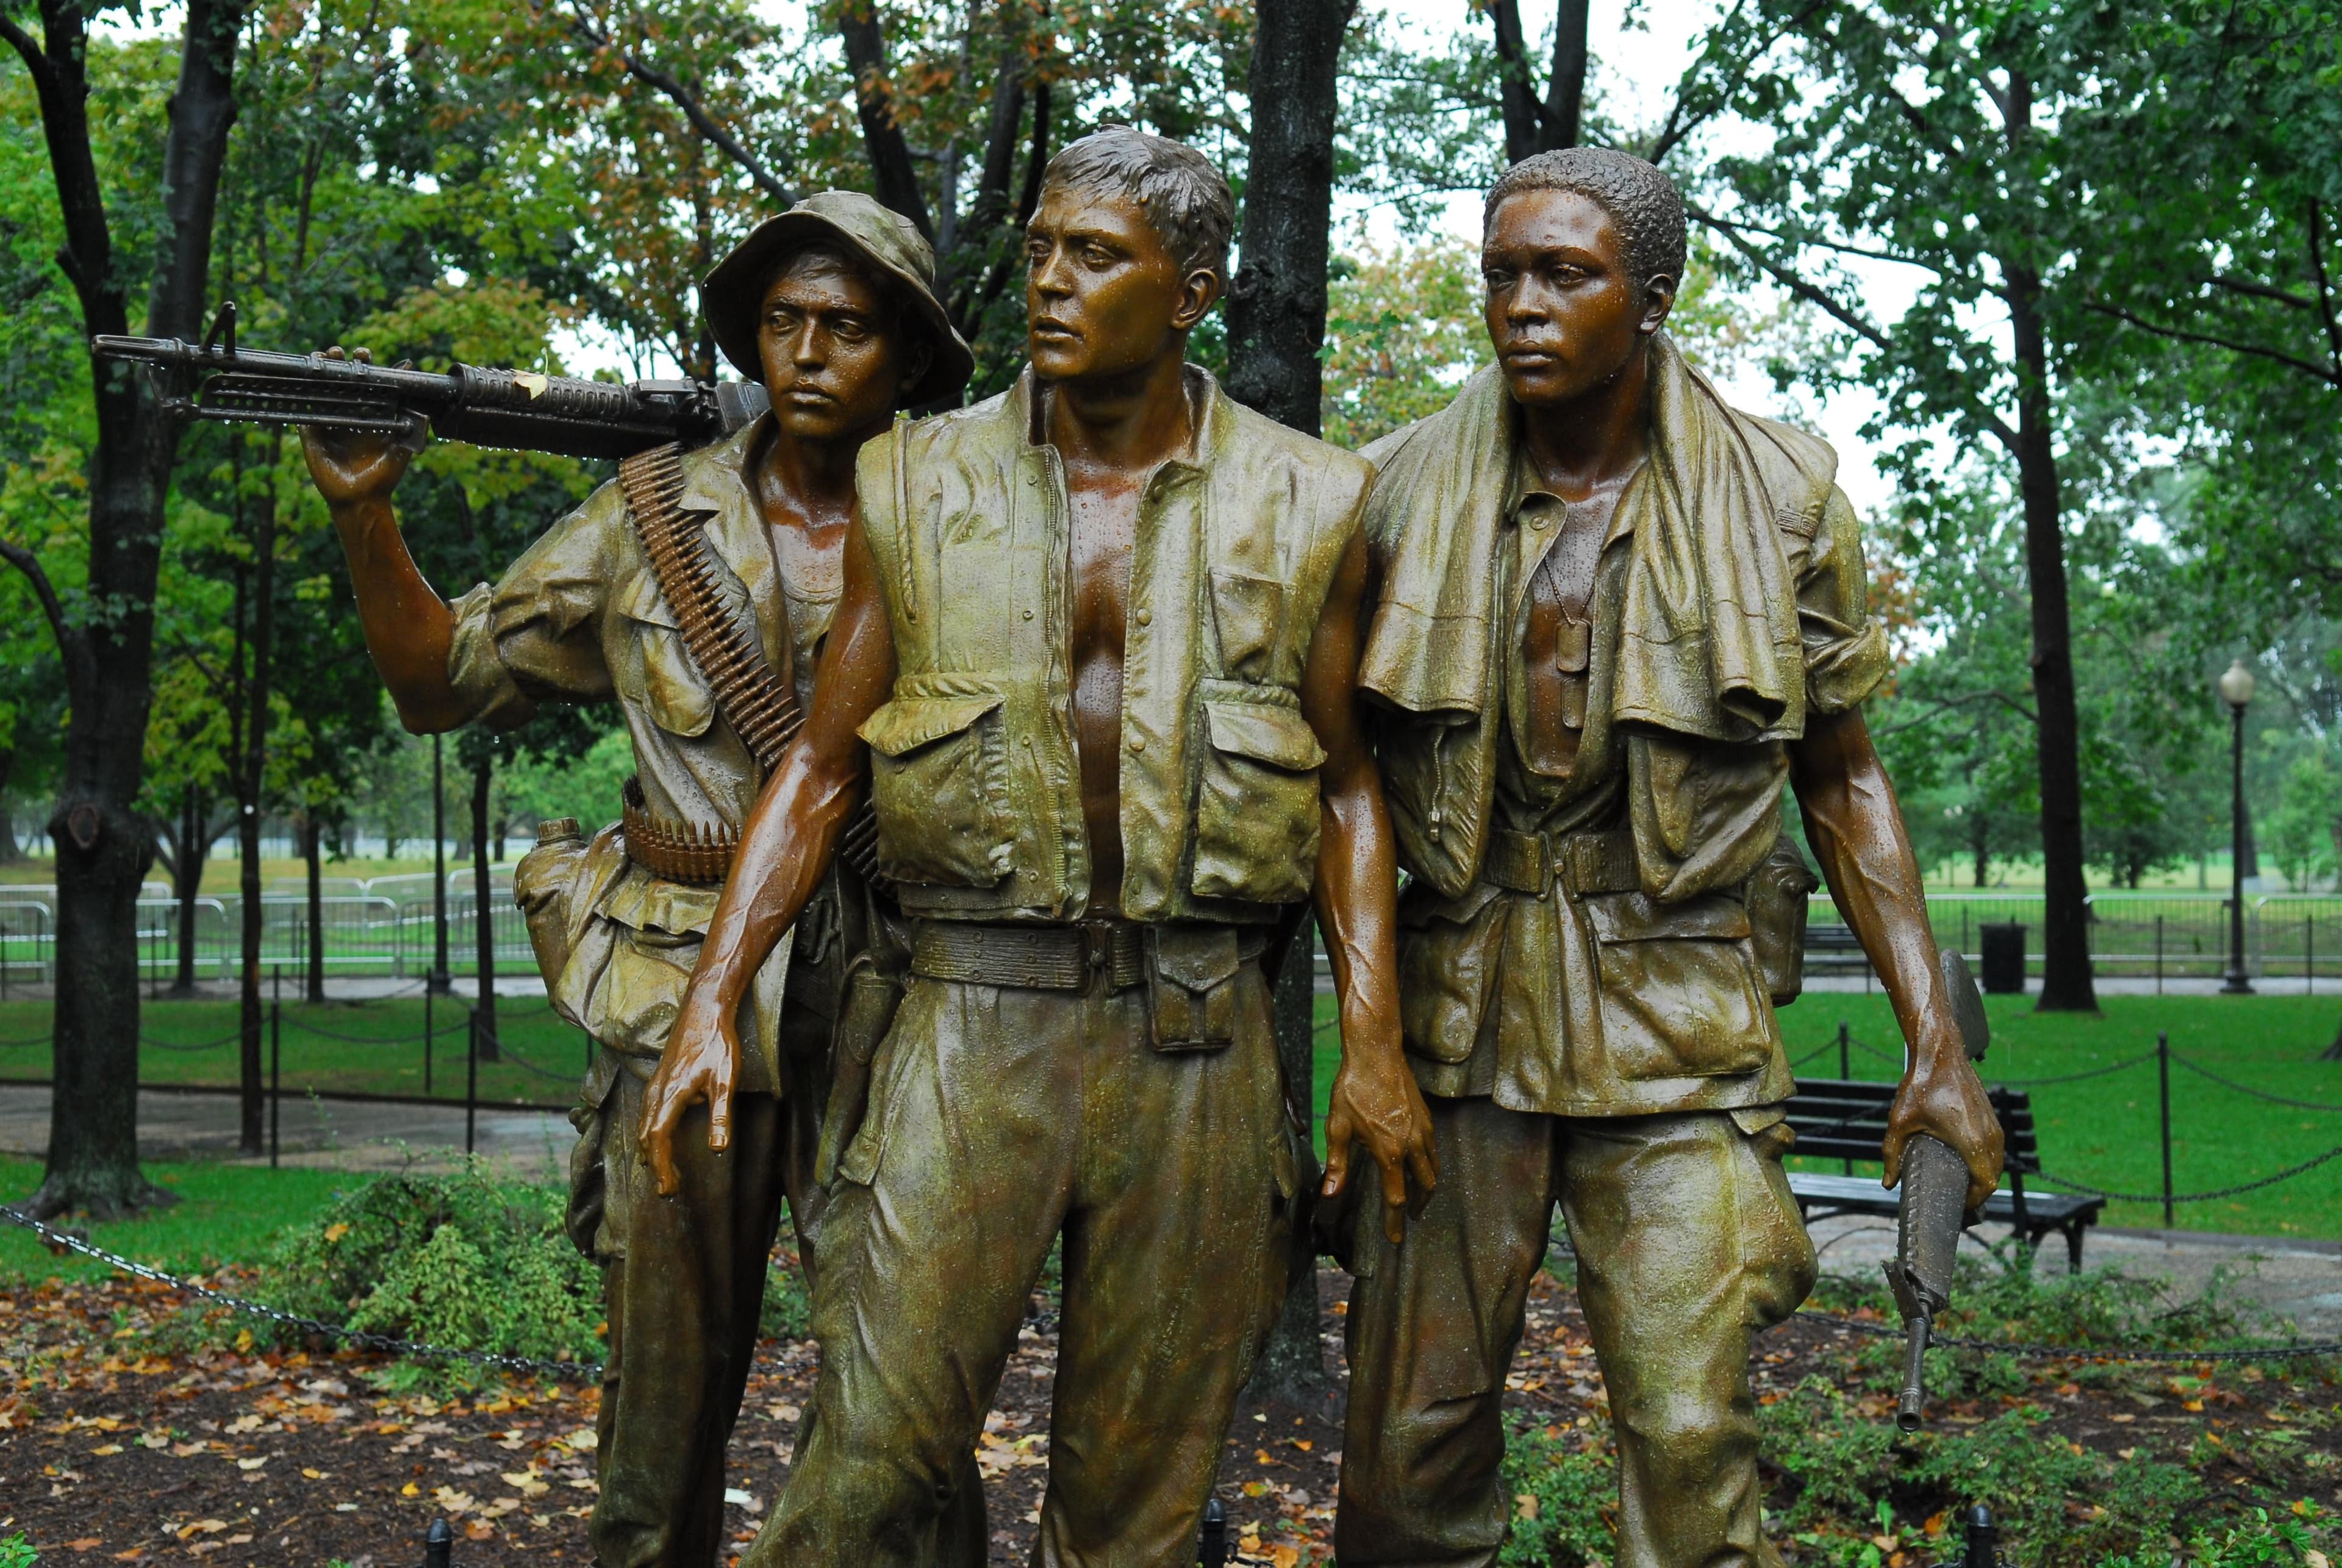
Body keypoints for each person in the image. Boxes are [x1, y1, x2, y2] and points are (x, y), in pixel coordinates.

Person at [640, 126, 1439, 1568]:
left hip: (1195, 1042)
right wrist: (711, 999)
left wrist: (1371, 1043)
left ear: (1189, 290)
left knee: (1132, 1515)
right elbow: (821, 768)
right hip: (968, 1021)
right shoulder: (913, 478)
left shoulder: (1315, 497)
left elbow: (1345, 789)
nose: (1051, 283)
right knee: (869, 1465)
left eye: (1096, 256)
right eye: (1040, 250)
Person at [1334, 147, 2005, 1568]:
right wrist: (1366, 1041)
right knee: (1411, 1432)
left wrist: (1933, 1041)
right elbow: (1345, 786)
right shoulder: (1387, 492)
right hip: (1458, 1019)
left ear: (1650, 295)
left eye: (1563, 275)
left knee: (1690, 1423)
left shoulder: (1779, 496)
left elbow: (1843, 774)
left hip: (1680, 1008)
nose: (1521, 305)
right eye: (1501, 274)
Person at [298, 190, 973, 1568]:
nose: (807, 352)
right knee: (658, 1421)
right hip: (680, 993)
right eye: (781, 321)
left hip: (898, 994)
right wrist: (370, 520)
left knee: (906, 1404)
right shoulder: (648, 516)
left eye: (846, 328)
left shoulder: (974, 523)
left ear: (907, 357)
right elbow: (438, 682)